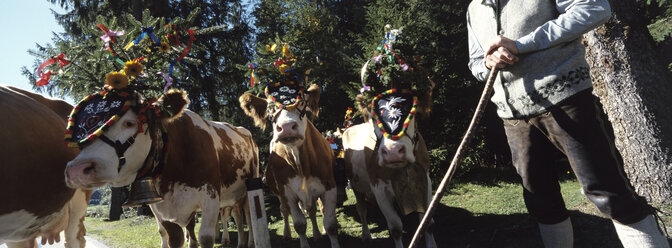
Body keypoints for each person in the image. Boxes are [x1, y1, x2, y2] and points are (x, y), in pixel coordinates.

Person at [466, 0, 670, 247]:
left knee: (609, 193)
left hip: (567, 100)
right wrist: (488, 62)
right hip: (513, 117)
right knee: (542, 203)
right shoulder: (474, 8)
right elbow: (476, 63)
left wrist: (521, 45)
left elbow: (595, 10)